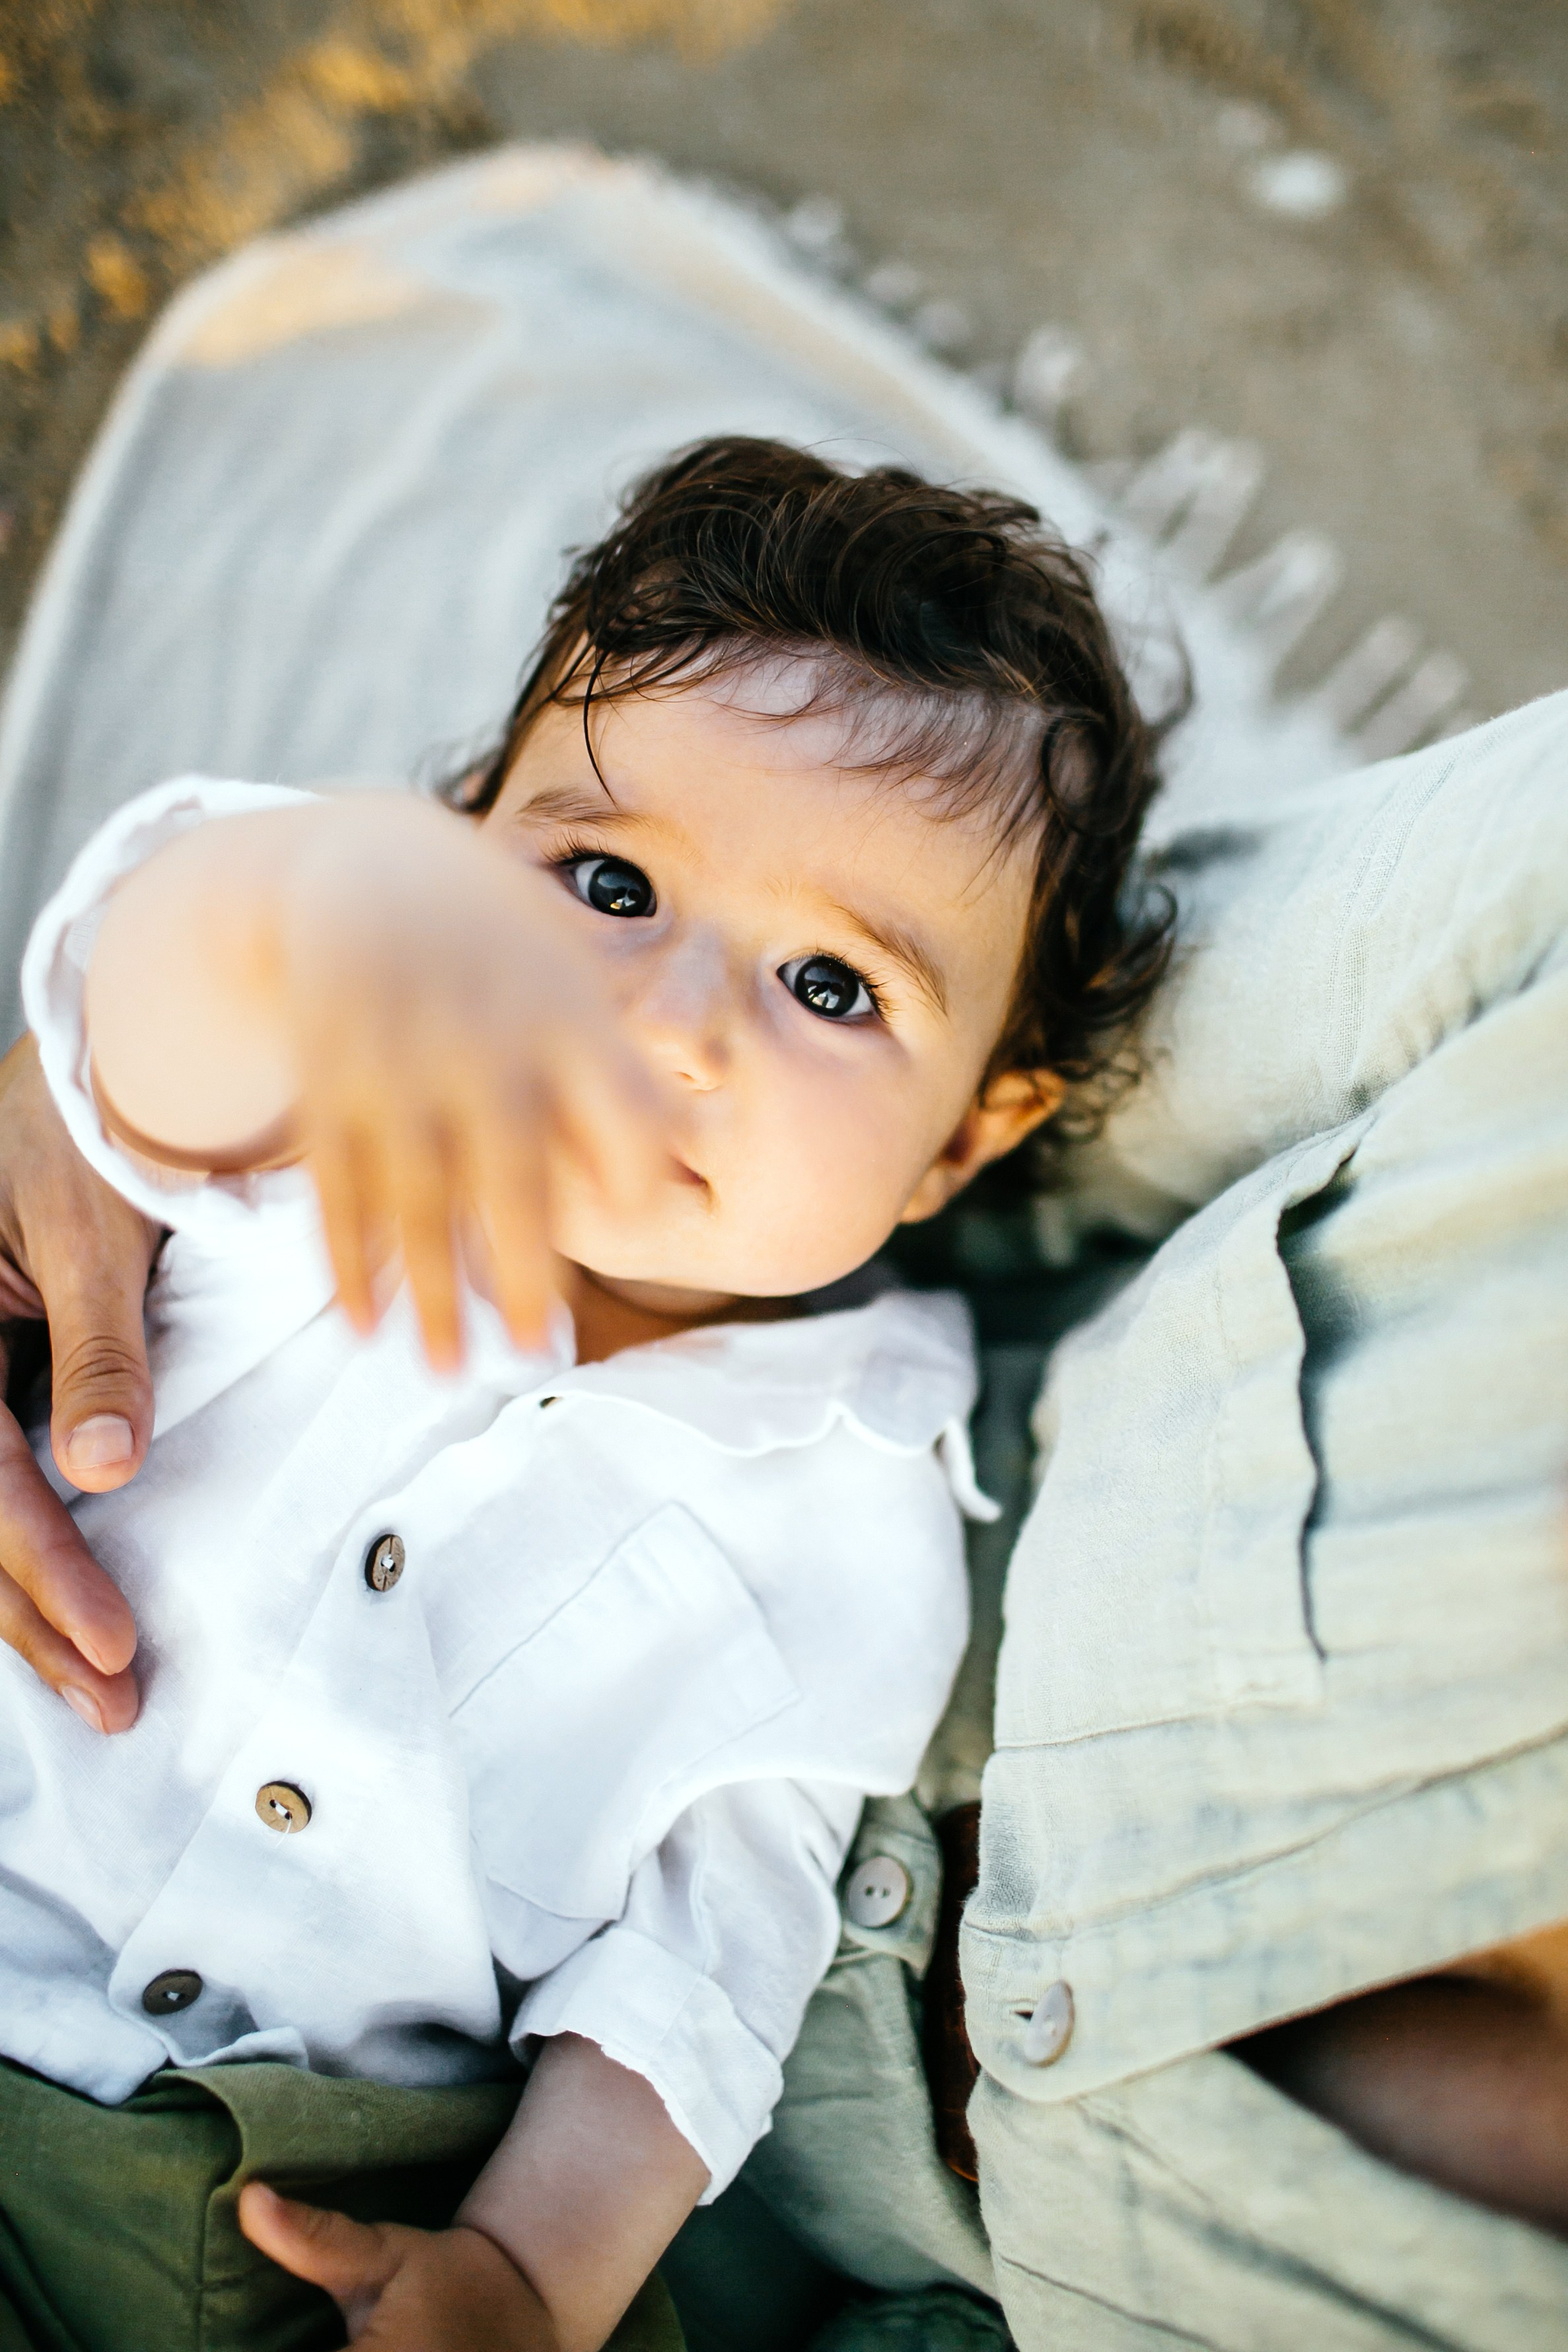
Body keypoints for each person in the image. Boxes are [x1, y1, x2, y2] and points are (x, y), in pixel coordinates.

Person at [0, 437, 1173, 2352]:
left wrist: (531, 2281)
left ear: (968, 1136)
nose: (673, 1022)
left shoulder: (862, 1517)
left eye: (830, 986)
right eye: (606, 878)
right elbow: (143, 1002)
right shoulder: (329, 1080)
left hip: (277, 2210)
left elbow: (699, 1965)